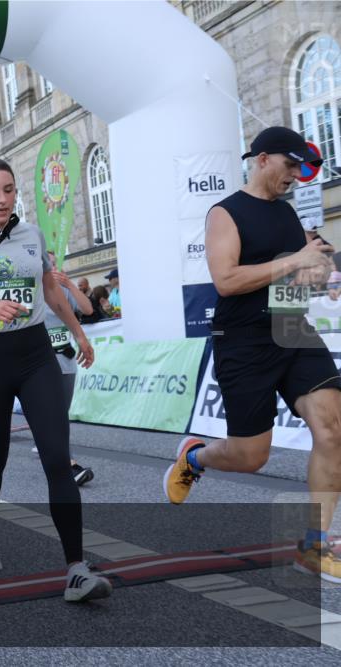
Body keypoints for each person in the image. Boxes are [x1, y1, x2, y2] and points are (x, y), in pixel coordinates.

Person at [164, 126, 340, 582]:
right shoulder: (226, 212)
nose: (296, 176)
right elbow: (226, 281)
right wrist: (294, 261)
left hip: (291, 327)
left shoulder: (286, 215)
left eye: (301, 168)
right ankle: (195, 458)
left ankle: (313, 545)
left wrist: (317, 271)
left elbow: (300, 276)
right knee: (250, 456)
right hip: (242, 339)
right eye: (289, 165)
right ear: (262, 159)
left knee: (334, 429)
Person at [0, 157, 111, 603]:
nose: (2, 199)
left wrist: (77, 333)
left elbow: (50, 290)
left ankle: (76, 568)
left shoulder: (31, 235)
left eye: (9, 190)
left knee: (57, 458)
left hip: (36, 355)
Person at [45, 251, 96, 486]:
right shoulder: (33, 291)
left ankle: (54, 453)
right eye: (49, 263)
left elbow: (87, 310)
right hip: (40, 361)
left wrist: (70, 285)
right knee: (53, 414)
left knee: (60, 415)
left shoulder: (63, 289)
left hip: (65, 358)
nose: (53, 267)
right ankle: (68, 465)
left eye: (55, 263)